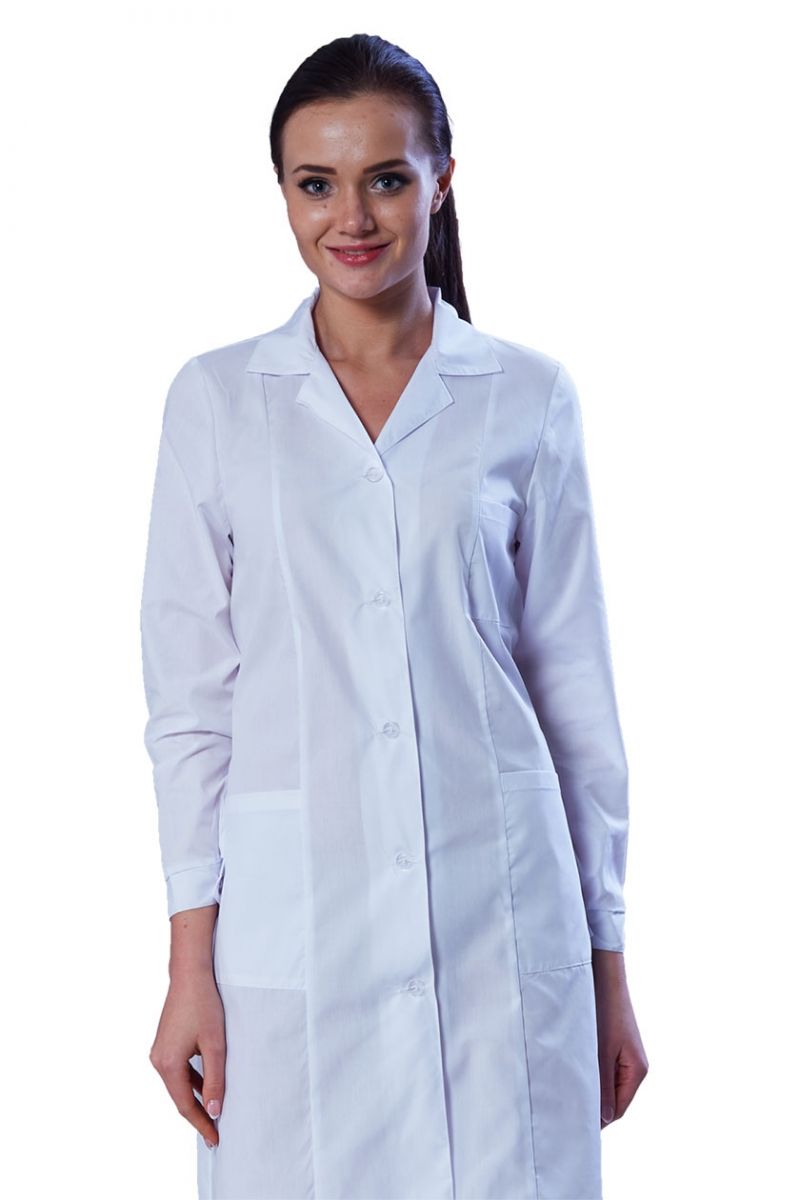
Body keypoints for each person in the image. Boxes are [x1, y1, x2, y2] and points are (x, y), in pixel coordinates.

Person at [140, 31, 648, 1200]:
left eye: (384, 178)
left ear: (440, 180)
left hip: (500, 921)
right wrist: (187, 966)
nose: (351, 218)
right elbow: (191, 709)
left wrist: (606, 965)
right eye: (315, 184)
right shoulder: (218, 401)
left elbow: (573, 695)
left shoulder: (525, 396)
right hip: (298, 932)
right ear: (282, 194)